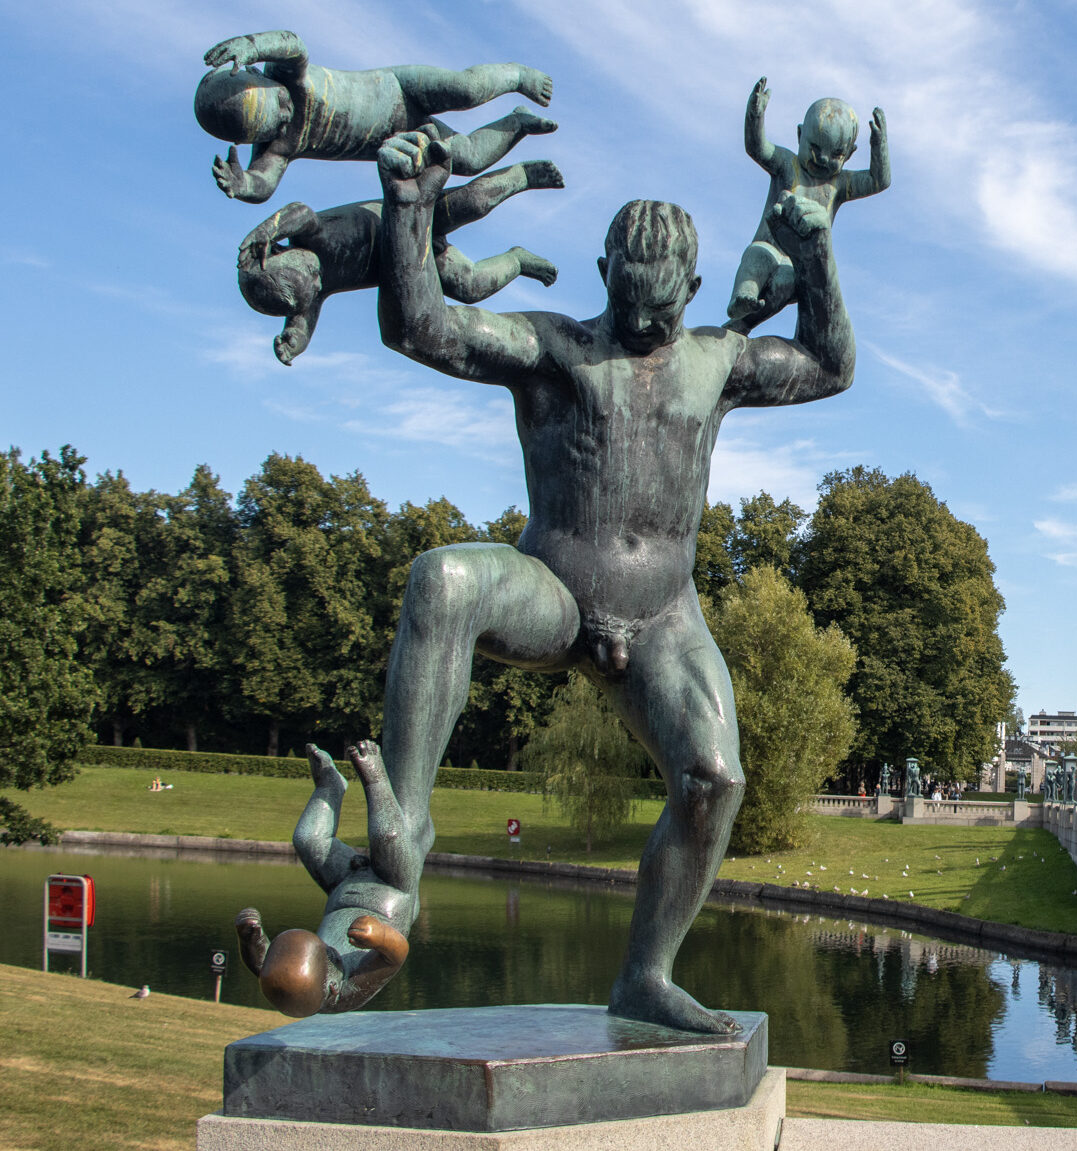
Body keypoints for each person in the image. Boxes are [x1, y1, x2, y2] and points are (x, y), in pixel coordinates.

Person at [360, 128, 855, 1034]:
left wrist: (818, 251)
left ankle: (644, 977)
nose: (641, 324)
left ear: (694, 295)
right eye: (627, 301)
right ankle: (400, 848)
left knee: (714, 778)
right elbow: (420, 325)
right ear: (603, 270)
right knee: (442, 580)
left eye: (659, 312)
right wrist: (408, 209)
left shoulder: (715, 361)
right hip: (553, 588)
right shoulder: (555, 349)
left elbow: (830, 365)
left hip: (664, 614)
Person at [235, 161, 563, 364]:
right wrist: (294, 343)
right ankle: (517, 260)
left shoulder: (310, 234)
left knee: (472, 202)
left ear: (277, 250)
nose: (318, 280)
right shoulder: (312, 290)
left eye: (310, 274)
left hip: (411, 217)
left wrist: (266, 228)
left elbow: (300, 211)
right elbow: (302, 320)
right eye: (312, 288)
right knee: (471, 286)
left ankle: (519, 175)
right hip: (416, 259)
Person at [195, 30, 556, 204]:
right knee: (469, 158)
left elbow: (293, 43)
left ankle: (517, 76)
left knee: (466, 90)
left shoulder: (286, 73)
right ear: (249, 139)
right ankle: (517, 123)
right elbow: (264, 184)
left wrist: (254, 43)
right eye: (269, 124)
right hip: (404, 134)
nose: (285, 113)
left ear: (258, 75)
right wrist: (244, 186)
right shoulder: (276, 148)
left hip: (398, 88)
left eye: (275, 103)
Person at [236, 743, 414, 1016]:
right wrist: (380, 937)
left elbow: (261, 965)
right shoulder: (345, 991)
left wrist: (251, 938)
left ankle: (330, 783)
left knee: (307, 839)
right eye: (327, 956)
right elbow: (396, 957)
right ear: (331, 986)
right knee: (387, 838)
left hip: (342, 886)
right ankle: (376, 778)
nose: (328, 949)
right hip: (391, 889)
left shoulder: (291, 980)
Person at [726, 79, 889, 333]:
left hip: (797, 263)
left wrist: (879, 147)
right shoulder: (786, 163)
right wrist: (755, 116)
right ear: (800, 135)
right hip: (768, 246)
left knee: (786, 280)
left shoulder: (838, 184)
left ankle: (746, 321)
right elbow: (756, 147)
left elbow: (879, 181)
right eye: (814, 148)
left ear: (850, 154)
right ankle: (744, 296)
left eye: (836, 155)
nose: (823, 159)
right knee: (756, 256)